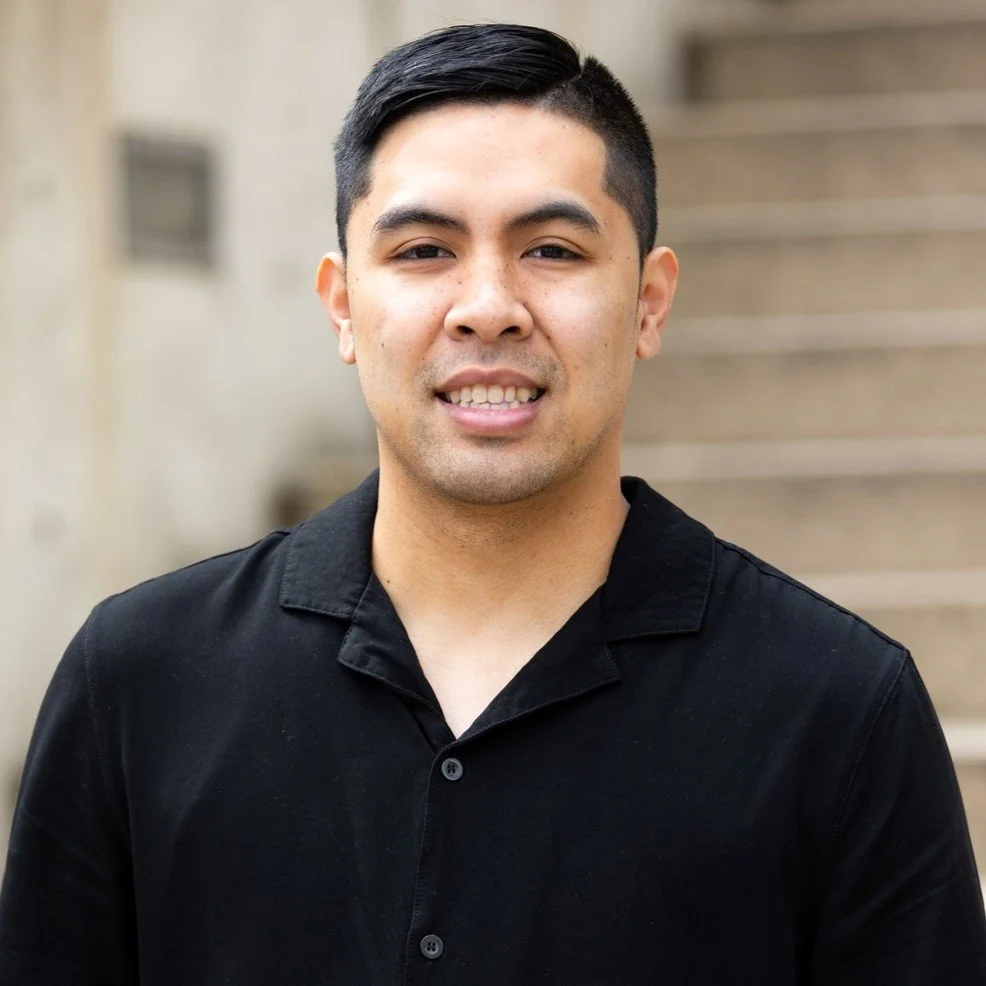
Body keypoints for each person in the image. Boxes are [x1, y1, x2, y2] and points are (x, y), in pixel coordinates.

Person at [1, 22, 984, 986]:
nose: (486, 305)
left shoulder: (838, 710)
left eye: (550, 249)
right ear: (342, 305)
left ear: (648, 302)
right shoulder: (137, 680)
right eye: (423, 250)